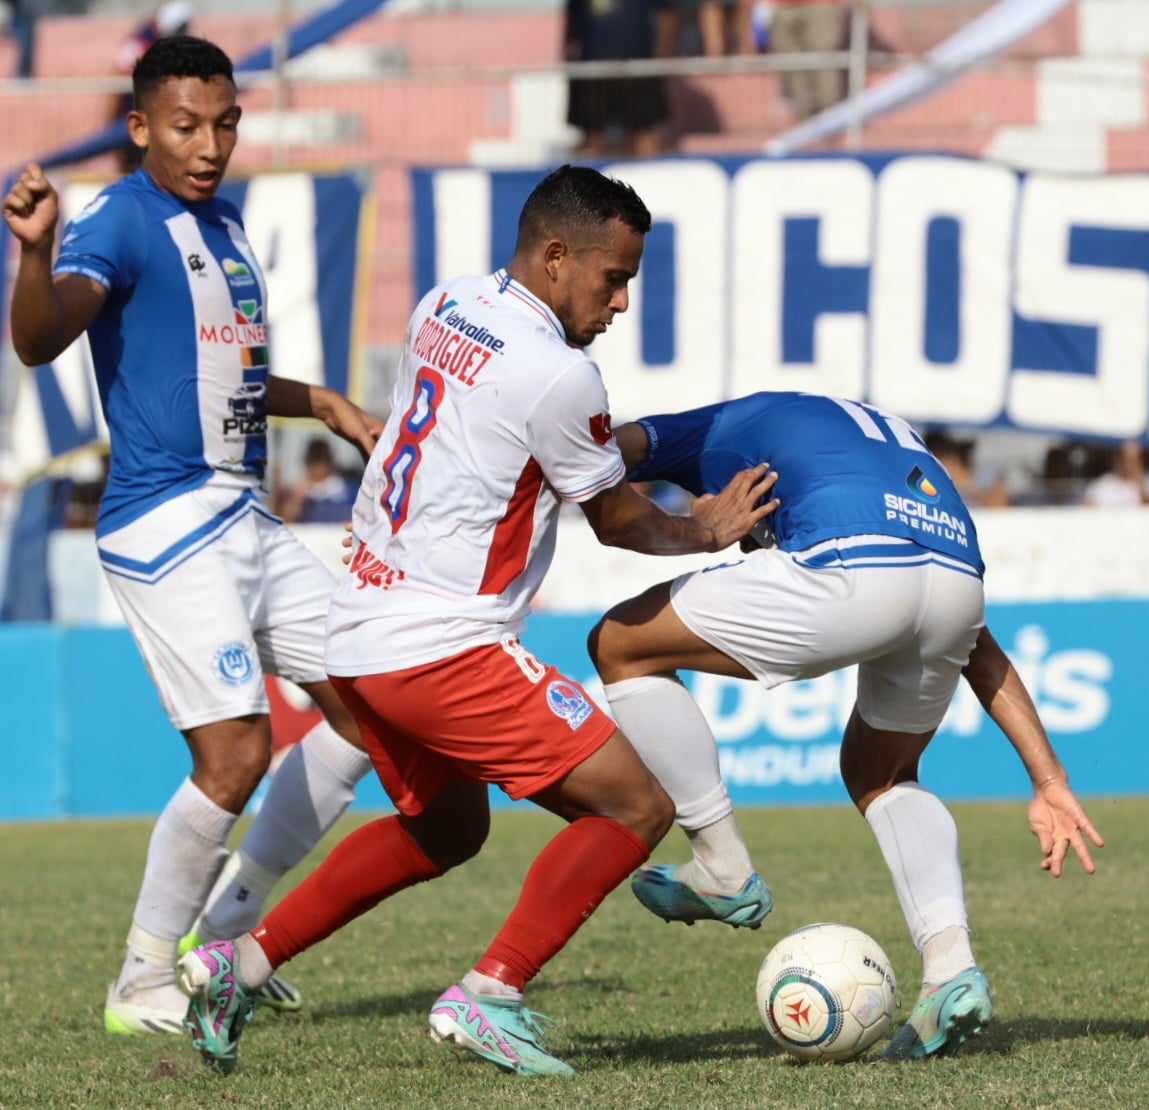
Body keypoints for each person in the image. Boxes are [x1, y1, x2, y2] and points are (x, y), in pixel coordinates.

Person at [177, 164, 778, 1077]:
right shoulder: (559, 373)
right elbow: (617, 523)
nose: (619, 302)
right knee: (636, 803)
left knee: (447, 831)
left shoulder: (446, 302)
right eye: (612, 278)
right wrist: (705, 528)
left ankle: (239, 963)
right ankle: (489, 994)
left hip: (356, 628)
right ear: (553, 255)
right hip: (440, 646)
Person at [3, 35, 383, 1037]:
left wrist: (324, 401)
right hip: (167, 520)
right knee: (235, 753)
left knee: (374, 703)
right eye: (184, 126)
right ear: (138, 129)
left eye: (224, 123)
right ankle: (140, 980)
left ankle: (221, 938)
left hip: (244, 515)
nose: (209, 144)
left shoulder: (223, 224)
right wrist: (36, 254)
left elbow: (231, 377)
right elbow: (42, 337)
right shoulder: (117, 221)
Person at [586, 391, 1105, 1059]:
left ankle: (721, 868)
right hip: (953, 578)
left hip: (849, 567)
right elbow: (979, 645)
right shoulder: (861, 440)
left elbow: (591, 454)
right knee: (880, 774)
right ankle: (951, 971)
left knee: (620, 645)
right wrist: (1048, 778)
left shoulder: (710, 429)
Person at [565, 0, 674, 157]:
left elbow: (666, 15)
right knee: (592, 140)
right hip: (592, 69)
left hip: (639, 68)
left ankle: (643, 180)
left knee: (645, 138)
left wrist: (661, 62)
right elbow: (572, 20)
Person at [110, 3, 194, 174]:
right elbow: (116, 80)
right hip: (135, 124)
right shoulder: (141, 42)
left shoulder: (173, 46)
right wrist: (110, 129)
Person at [274, 437, 359, 524]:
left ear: (330, 463)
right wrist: (296, 500)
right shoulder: (298, 491)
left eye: (322, 462)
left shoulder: (348, 490)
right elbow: (285, 522)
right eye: (314, 462)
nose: (318, 468)